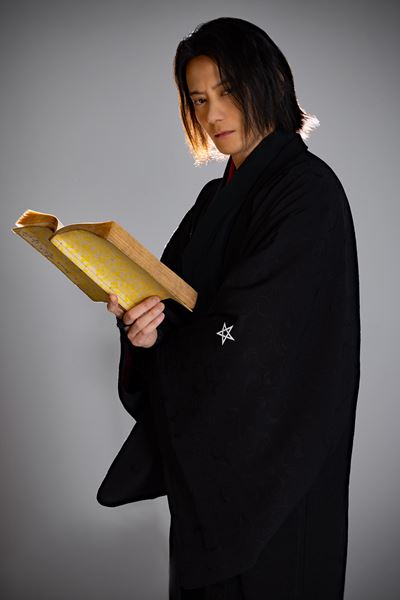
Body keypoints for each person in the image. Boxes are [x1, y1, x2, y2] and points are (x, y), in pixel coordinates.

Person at [97, 17, 361, 600]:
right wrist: (144, 331)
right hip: (209, 478)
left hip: (280, 467)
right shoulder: (213, 199)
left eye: (228, 91)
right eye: (198, 100)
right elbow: (173, 302)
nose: (213, 114)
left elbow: (254, 331)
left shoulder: (309, 191)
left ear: (270, 82)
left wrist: (175, 338)